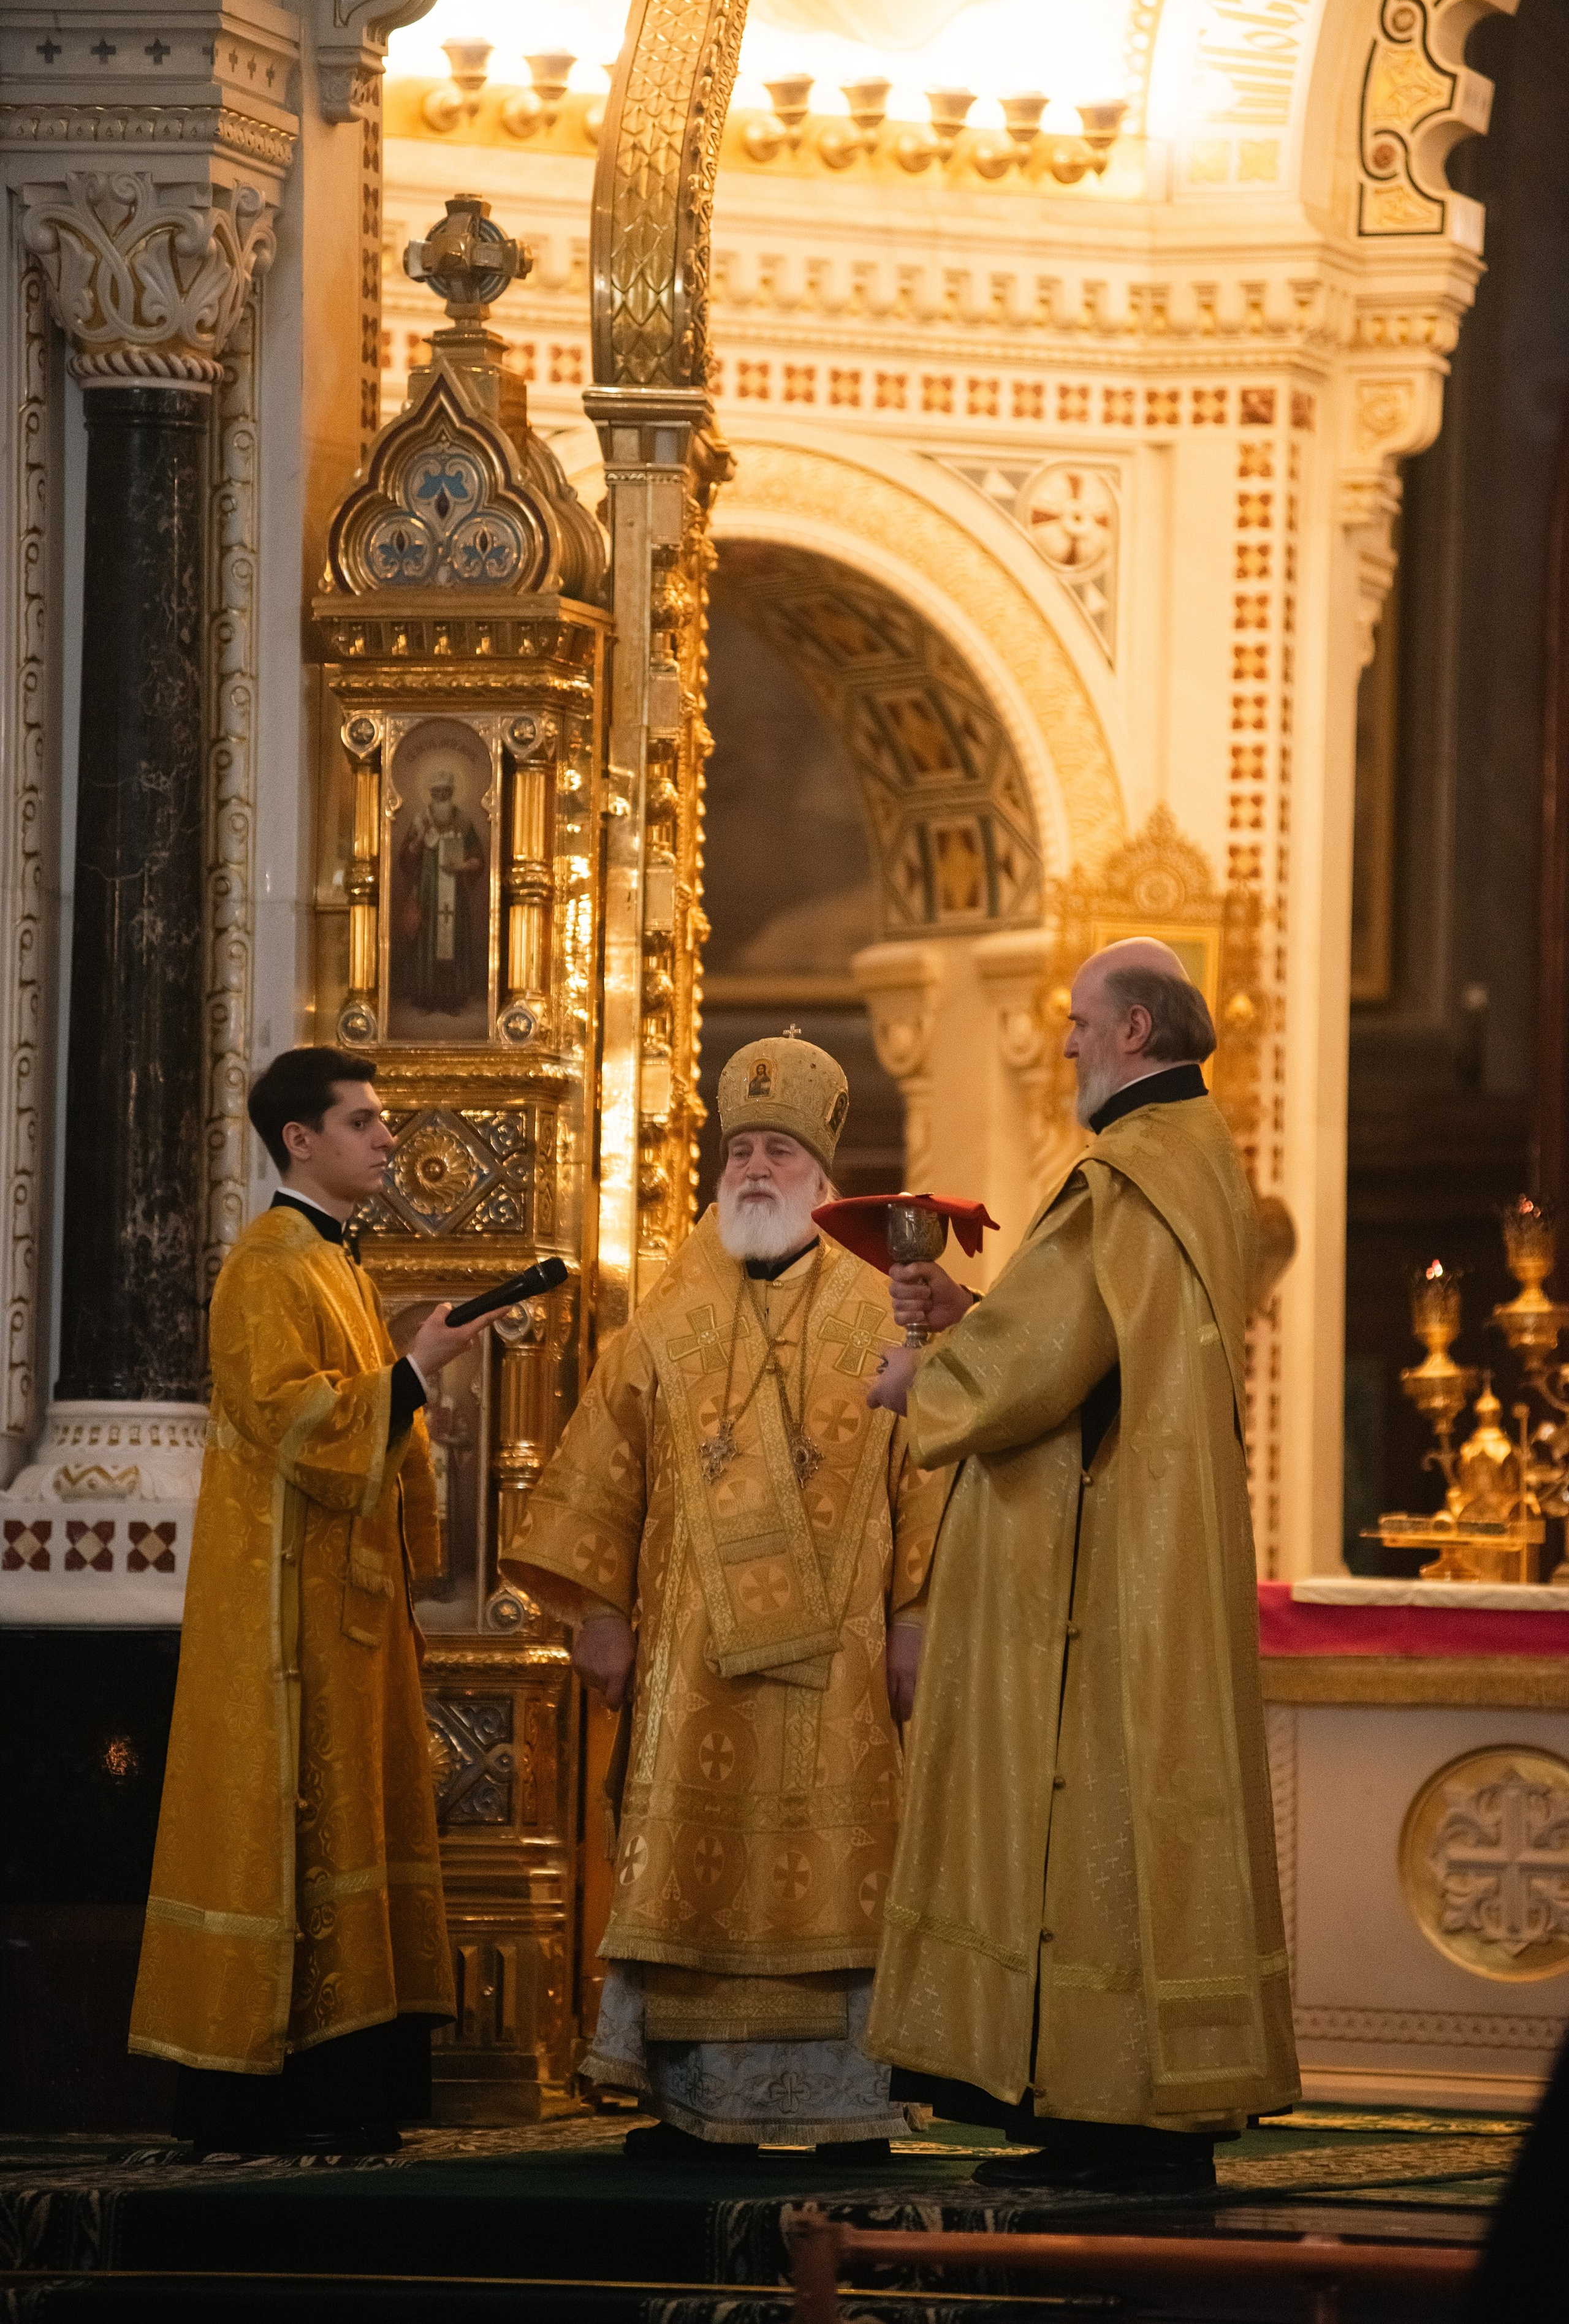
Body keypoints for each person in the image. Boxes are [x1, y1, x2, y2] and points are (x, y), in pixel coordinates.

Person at [864, 938, 1298, 2195]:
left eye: (1075, 1022)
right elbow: (1088, 1324)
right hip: (1158, 1543)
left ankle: (1108, 2116)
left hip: (1106, 1568)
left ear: (1131, 1034)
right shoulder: (1199, 1162)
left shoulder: (1122, 1171)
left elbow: (1042, 1364)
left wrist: (924, 1378)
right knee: (1124, 1813)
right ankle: (1107, 2107)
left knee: (1090, 1804)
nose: (1059, 1042)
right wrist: (972, 1315)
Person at [500, 1035, 948, 2163]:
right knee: (692, 1872)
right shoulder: (664, 1317)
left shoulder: (879, 1311)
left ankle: (852, 2107)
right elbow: (605, 1468)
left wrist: (916, 1618)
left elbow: (928, 1478)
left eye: (779, 1151)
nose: (755, 1168)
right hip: (690, 1667)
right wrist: (598, 1612)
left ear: (822, 1175)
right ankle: (698, 2107)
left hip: (840, 1672)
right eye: (740, 1148)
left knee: (842, 1874)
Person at [128, 1047, 507, 2156]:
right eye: (365, 1121)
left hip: (348, 1612)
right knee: (295, 1827)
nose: (388, 1138)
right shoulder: (267, 1265)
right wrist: (414, 1373)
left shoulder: (337, 1262)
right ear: (301, 1139)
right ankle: (276, 2093)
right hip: (284, 1625)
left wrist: (409, 1378)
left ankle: (353, 2090)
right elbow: (296, 1420)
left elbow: (359, 1420)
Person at [395, 768, 485, 1015]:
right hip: (426, 889)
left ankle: (453, 997)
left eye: (446, 792)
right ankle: (424, 994)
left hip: (454, 890)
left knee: (453, 936)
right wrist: (419, 841)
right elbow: (405, 858)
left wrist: (465, 865)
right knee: (426, 936)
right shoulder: (420, 820)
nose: (442, 795)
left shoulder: (464, 821)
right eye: (437, 792)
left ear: (452, 793)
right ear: (432, 794)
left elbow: (478, 856)